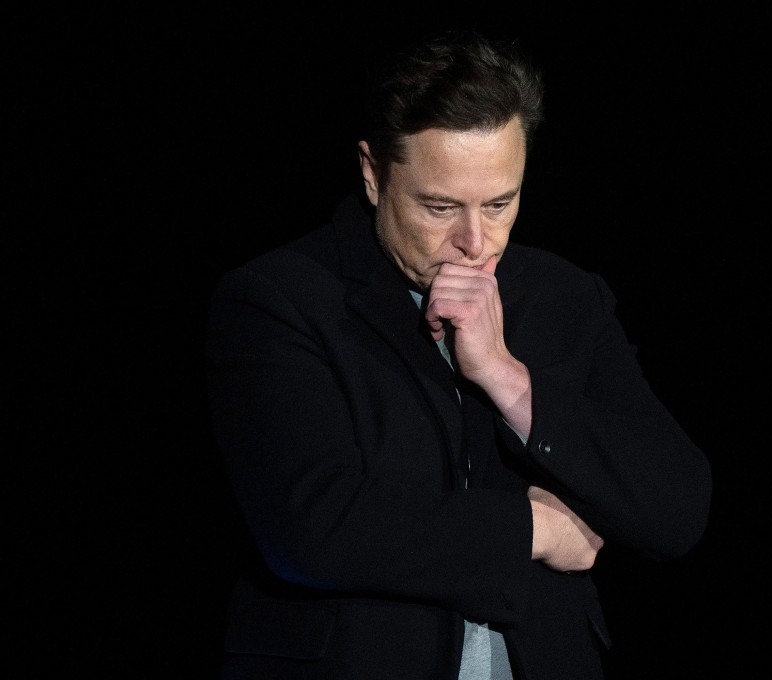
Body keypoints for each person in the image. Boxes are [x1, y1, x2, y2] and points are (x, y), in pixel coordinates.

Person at [205, 27, 712, 680]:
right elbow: (314, 526)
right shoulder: (281, 298)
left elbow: (676, 508)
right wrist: (533, 531)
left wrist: (508, 379)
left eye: (500, 203)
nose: (475, 241)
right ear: (372, 174)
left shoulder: (566, 297)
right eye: (439, 207)